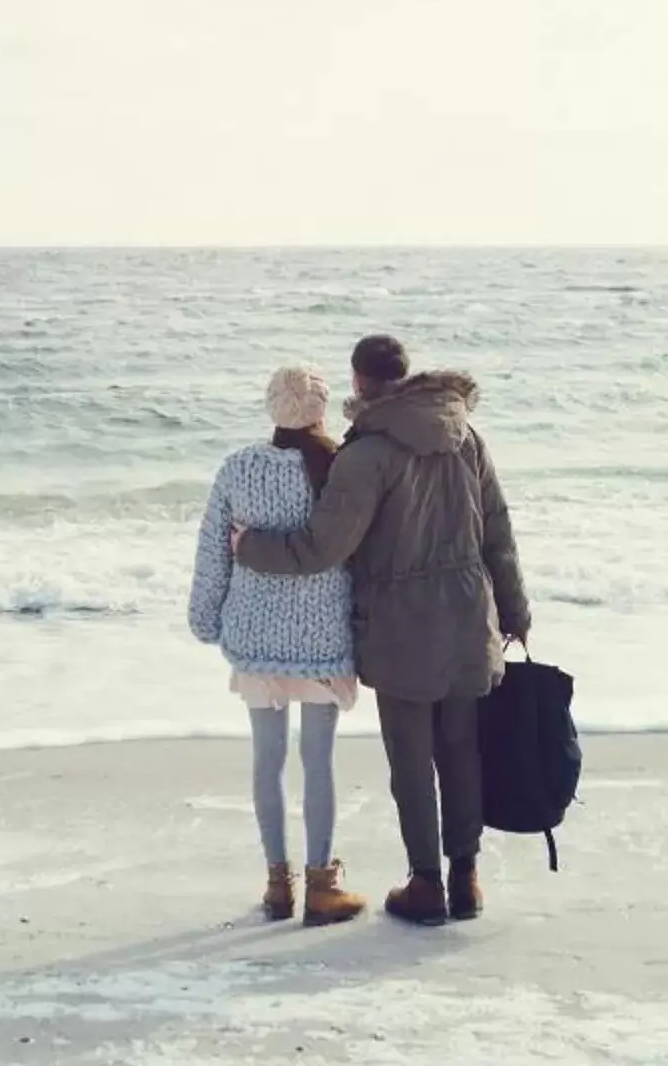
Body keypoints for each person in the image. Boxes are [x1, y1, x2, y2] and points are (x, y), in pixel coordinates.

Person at [234, 333, 530, 926]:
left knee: (412, 761)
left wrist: (250, 547)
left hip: (401, 628)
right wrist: (515, 611)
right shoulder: (465, 436)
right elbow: (497, 528)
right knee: (462, 751)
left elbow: (322, 547)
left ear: (357, 381)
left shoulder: (366, 454)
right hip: (472, 617)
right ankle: (465, 879)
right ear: (407, 374)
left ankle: (426, 886)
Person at [187, 366, 369, 927]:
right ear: (320, 409)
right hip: (324, 636)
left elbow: (212, 552)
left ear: (272, 410)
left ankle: (276, 885)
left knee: (267, 761)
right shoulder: (342, 468)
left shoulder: (238, 468)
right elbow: (363, 553)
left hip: (255, 636)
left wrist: (205, 619)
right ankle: (321, 884)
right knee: (319, 761)